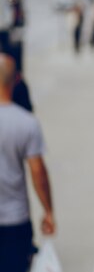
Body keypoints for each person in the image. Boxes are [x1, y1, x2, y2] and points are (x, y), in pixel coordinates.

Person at [0, 53, 55, 272]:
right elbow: (37, 172)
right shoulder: (27, 123)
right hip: (16, 221)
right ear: (15, 81)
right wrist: (48, 211)